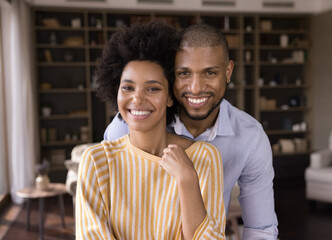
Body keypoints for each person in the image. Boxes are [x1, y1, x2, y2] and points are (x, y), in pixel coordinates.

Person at [104, 23, 279, 239]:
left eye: (210, 73)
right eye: (184, 73)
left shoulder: (250, 137)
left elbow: (260, 228)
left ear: (228, 71)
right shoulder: (126, 127)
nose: (196, 88)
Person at [76, 21, 226, 240]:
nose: (137, 99)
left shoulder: (204, 157)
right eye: (128, 87)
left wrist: (187, 180)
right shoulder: (97, 162)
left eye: (153, 88)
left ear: (170, 96)